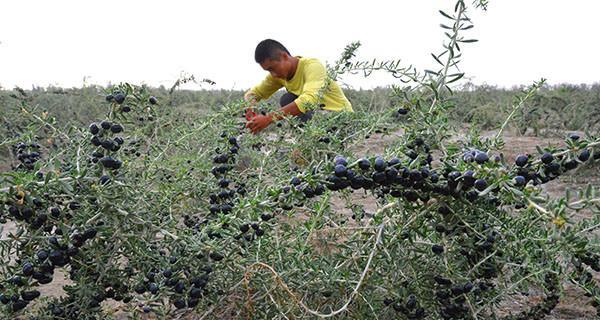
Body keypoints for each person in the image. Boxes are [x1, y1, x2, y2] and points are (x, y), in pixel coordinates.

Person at [244, 39, 353, 134]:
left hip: (339, 117)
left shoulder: (312, 66)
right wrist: (250, 107)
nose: (273, 74)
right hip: (317, 120)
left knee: (289, 99)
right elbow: (253, 93)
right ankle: (305, 144)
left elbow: (309, 100)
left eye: (273, 68)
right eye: (268, 71)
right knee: (288, 99)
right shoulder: (278, 76)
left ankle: (307, 144)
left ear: (284, 56)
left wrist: (269, 118)